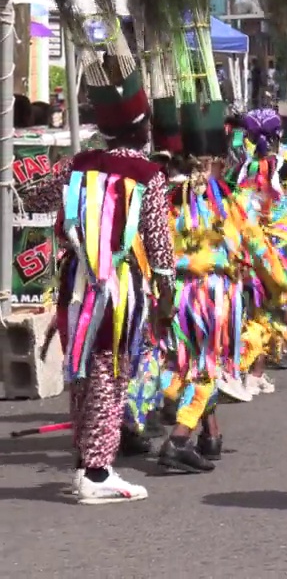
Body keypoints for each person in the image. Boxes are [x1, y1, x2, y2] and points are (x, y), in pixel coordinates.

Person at [18, 58, 174, 504]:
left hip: (75, 287)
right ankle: (98, 472)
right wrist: (166, 297)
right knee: (110, 373)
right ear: (140, 131)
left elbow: (33, 195)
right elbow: (160, 249)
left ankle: (86, 462)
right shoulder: (148, 176)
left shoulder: (77, 166)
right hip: (117, 288)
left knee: (83, 373)